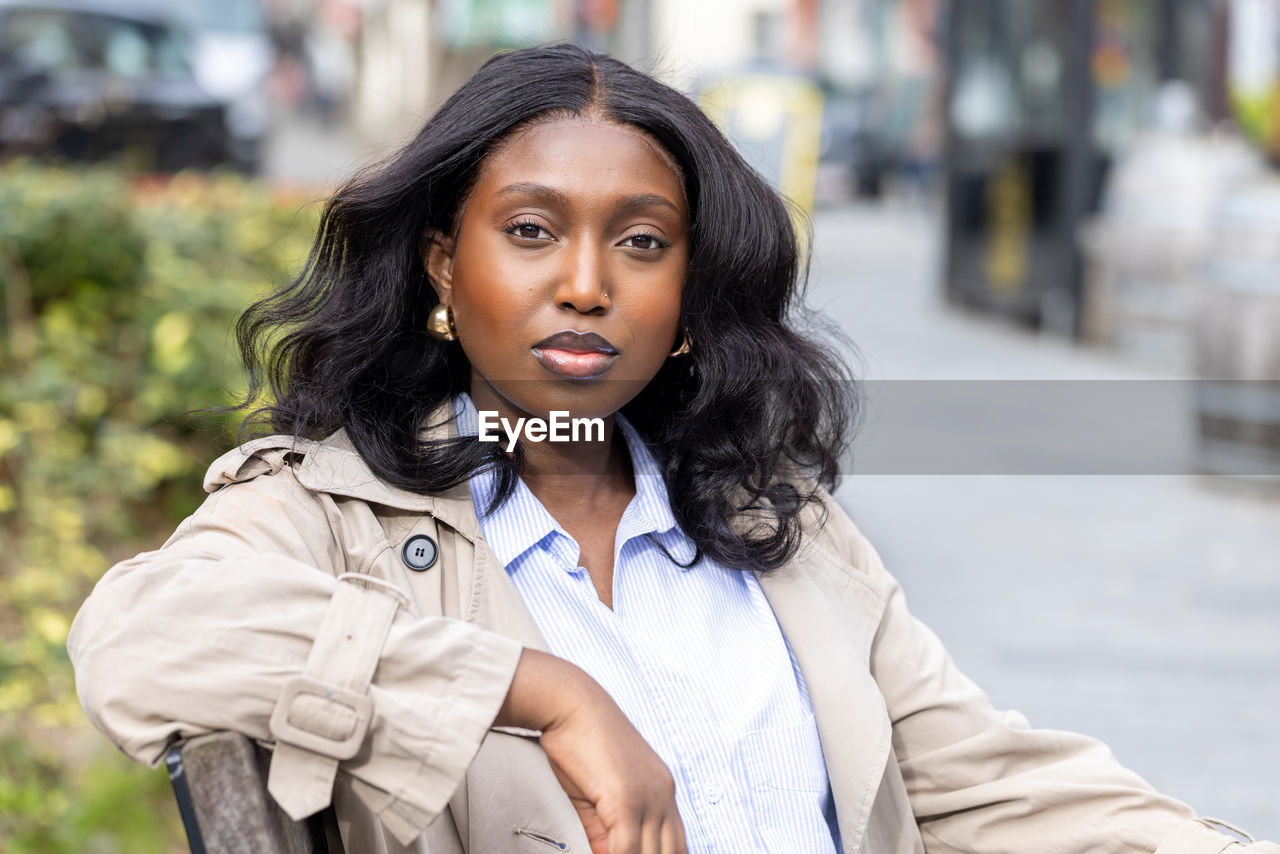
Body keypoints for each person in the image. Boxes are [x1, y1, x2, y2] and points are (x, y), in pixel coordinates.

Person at [68, 44, 1275, 854]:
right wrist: (543, 691)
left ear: (692, 289)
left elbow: (978, 774)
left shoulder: (764, 521)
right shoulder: (340, 516)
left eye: (642, 243)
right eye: (531, 231)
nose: (585, 285)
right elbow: (136, 635)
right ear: (443, 263)